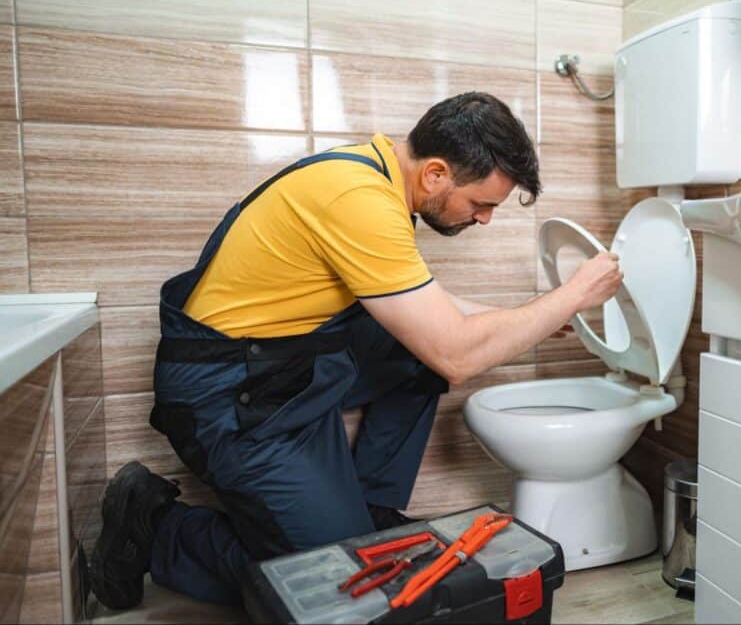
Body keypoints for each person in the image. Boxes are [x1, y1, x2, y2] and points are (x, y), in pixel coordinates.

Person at [88, 92, 623, 608]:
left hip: (284, 366)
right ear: (435, 173)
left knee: (413, 350)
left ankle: (367, 513)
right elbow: (454, 353)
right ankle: (160, 530)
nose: (484, 219)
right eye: (481, 204)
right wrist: (571, 294)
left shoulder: (369, 172)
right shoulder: (358, 200)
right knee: (339, 580)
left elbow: (424, 306)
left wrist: (534, 316)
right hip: (229, 397)